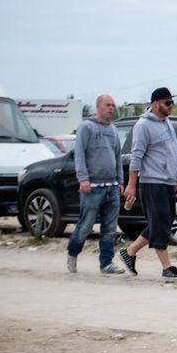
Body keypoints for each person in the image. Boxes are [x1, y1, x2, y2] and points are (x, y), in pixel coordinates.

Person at [119, 87, 177, 282]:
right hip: (152, 182)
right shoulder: (143, 125)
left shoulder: (167, 122)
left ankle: (129, 252)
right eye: (167, 103)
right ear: (155, 104)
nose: (171, 106)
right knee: (160, 224)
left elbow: (169, 152)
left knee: (164, 221)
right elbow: (136, 156)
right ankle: (166, 267)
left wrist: (173, 179)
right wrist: (132, 185)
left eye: (172, 102)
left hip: (166, 182)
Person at [67, 94, 125, 274]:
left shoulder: (113, 130)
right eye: (108, 105)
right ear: (99, 106)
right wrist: (83, 178)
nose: (111, 108)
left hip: (112, 187)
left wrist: (120, 181)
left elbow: (117, 156)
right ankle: (72, 253)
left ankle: (106, 263)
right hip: (92, 188)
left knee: (110, 228)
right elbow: (80, 154)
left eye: (113, 105)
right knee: (86, 225)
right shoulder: (87, 127)